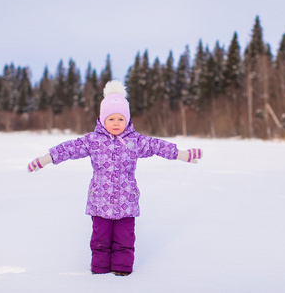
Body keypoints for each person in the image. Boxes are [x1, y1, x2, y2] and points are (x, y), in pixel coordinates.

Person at [27, 80, 202, 276]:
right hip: (100, 202)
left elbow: (157, 146)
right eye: (111, 119)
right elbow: (69, 148)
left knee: (124, 238)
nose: (116, 123)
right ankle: (100, 270)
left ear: (127, 120)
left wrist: (182, 154)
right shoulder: (93, 141)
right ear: (102, 120)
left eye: (121, 119)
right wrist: (46, 158)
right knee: (100, 238)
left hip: (126, 202)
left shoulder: (135, 141)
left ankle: (122, 269)